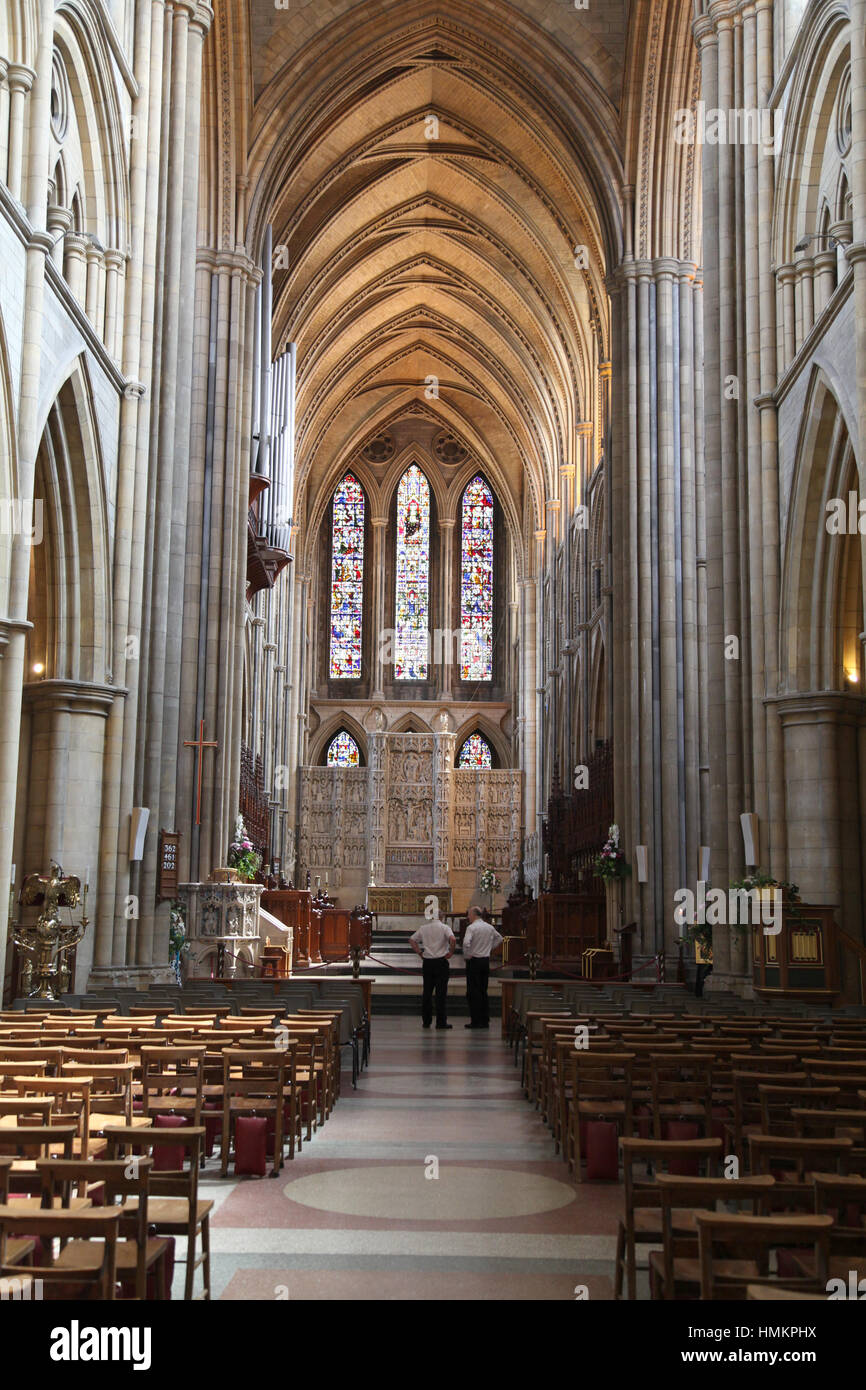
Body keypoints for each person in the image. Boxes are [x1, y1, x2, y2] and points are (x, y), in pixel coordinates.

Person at [410, 911, 456, 1029]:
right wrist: (450, 952)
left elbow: (412, 940)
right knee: (441, 994)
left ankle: (426, 1021)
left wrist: (420, 952)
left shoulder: (424, 928)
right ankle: (441, 1022)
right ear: (442, 917)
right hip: (441, 962)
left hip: (428, 962)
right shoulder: (445, 927)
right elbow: (453, 939)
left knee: (427, 992)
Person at [461, 906, 504, 1029]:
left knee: (472, 991)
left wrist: (467, 955)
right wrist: (489, 949)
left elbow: (465, 943)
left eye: (469, 914)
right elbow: (500, 938)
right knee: (483, 991)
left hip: (474, 961)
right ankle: (484, 1020)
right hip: (485, 961)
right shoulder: (489, 927)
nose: (468, 917)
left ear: (474, 915)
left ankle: (475, 1020)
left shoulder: (471, 927)